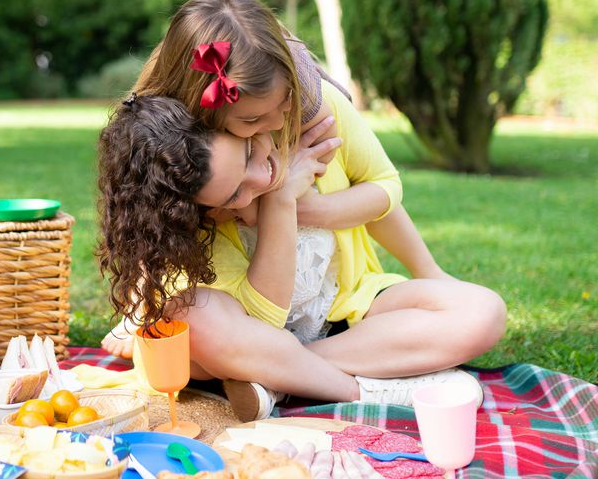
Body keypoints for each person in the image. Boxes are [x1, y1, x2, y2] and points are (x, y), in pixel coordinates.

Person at [97, 94, 506, 419]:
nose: (261, 178)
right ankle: (361, 389)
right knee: (191, 317)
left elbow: (381, 196)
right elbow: (265, 323)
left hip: (346, 315)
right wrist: (281, 200)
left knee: (482, 310)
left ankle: (278, 381)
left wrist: (428, 271)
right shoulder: (199, 200)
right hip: (250, 335)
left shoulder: (311, 125)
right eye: (234, 194)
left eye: (248, 156)